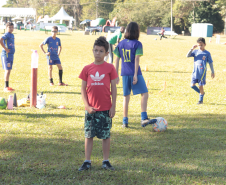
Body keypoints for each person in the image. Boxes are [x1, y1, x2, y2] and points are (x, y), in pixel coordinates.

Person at [78, 36, 118, 171]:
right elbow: (83, 89)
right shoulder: (87, 69)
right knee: (88, 135)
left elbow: (114, 88)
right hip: (91, 110)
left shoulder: (110, 68)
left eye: (101, 51)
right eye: (96, 50)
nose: (98, 53)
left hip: (105, 109)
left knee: (105, 136)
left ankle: (106, 161)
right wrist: (87, 106)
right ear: (92, 51)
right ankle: (87, 161)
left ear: (107, 53)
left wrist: (113, 106)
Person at [113, 22, 157, 128]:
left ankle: (125, 121)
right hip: (134, 73)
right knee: (145, 94)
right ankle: (143, 118)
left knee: (126, 97)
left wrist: (116, 75)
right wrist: (136, 75)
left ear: (127, 30)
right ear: (137, 32)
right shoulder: (137, 44)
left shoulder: (121, 43)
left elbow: (117, 59)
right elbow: (137, 59)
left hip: (124, 74)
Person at [187, 37, 215, 104]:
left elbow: (210, 63)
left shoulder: (207, 53)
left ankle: (200, 100)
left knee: (200, 86)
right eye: (199, 45)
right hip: (195, 72)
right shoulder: (195, 51)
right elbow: (187, 56)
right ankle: (201, 93)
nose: (200, 47)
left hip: (202, 73)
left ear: (205, 44)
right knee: (192, 85)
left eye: (201, 45)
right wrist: (192, 48)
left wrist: (212, 71)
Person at [0, 22, 15, 92]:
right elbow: (1, 39)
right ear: (6, 28)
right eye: (9, 27)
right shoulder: (6, 34)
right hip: (6, 55)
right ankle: (6, 87)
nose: (11, 29)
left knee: (9, 70)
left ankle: (7, 86)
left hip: (11, 55)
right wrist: (5, 49)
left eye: (12, 27)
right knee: (7, 70)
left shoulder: (12, 35)